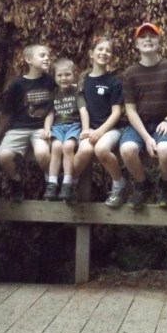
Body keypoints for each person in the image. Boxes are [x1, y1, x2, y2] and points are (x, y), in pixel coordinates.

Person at [120, 22, 167, 209]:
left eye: (152, 36)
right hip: (138, 125)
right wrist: (147, 138)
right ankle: (142, 183)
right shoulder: (129, 73)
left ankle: (165, 184)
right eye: (143, 37)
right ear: (136, 44)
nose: (148, 39)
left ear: (159, 40)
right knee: (127, 149)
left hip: (164, 123)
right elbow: (130, 109)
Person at [71, 35, 127, 208]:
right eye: (100, 49)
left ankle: (119, 185)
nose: (104, 53)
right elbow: (81, 106)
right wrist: (87, 130)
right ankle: (69, 184)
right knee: (85, 151)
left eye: (108, 50)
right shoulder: (83, 79)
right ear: (91, 53)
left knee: (102, 149)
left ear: (112, 56)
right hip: (89, 130)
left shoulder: (114, 82)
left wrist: (101, 131)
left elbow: (117, 112)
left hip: (111, 129)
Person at [0, 44, 56, 202]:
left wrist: (48, 127)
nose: (47, 58)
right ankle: (15, 180)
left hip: (40, 128)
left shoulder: (50, 81)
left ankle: (52, 181)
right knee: (3, 156)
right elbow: (8, 111)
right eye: (42, 55)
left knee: (43, 154)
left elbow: (55, 104)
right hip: (19, 128)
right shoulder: (17, 84)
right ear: (28, 60)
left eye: (48, 55)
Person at [43, 58, 88, 202]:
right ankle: (52, 183)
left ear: (74, 75)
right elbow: (50, 113)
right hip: (57, 127)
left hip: (73, 126)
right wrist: (47, 128)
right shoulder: (53, 93)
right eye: (60, 75)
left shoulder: (77, 92)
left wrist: (85, 129)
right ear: (54, 77)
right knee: (56, 147)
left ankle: (67, 183)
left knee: (68, 147)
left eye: (67, 74)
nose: (64, 78)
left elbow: (83, 111)